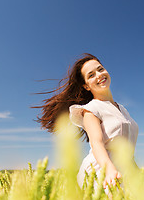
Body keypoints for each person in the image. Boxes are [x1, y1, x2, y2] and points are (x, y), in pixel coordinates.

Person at [34, 53, 138, 189]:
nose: (99, 75)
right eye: (91, 75)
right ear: (86, 86)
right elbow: (96, 144)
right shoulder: (90, 109)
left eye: (100, 69)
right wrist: (109, 170)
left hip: (123, 171)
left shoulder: (122, 109)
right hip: (101, 171)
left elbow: (127, 149)